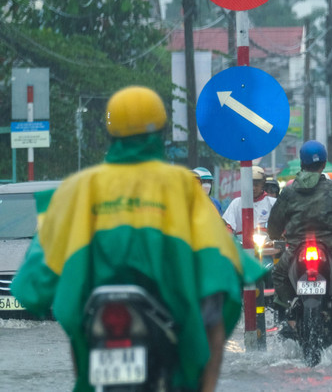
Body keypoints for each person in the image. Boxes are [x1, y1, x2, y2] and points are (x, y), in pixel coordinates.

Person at [11, 86, 265, 392]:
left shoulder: (76, 188)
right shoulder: (183, 187)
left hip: (96, 316)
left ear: (110, 131)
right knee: (214, 315)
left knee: (79, 325)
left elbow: (32, 283)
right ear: (161, 130)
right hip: (167, 311)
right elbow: (220, 261)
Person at [266, 140, 332, 333]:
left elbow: (274, 226)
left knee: (278, 274)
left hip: (297, 251)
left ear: (302, 164)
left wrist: (276, 235)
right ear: (323, 164)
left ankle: (290, 313)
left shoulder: (288, 191)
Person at [221, 165, 276, 236]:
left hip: (267, 244)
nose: (253, 188)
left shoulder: (273, 203)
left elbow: (281, 225)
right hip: (242, 244)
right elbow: (228, 225)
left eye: (256, 185)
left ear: (262, 184)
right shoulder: (236, 203)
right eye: (250, 184)